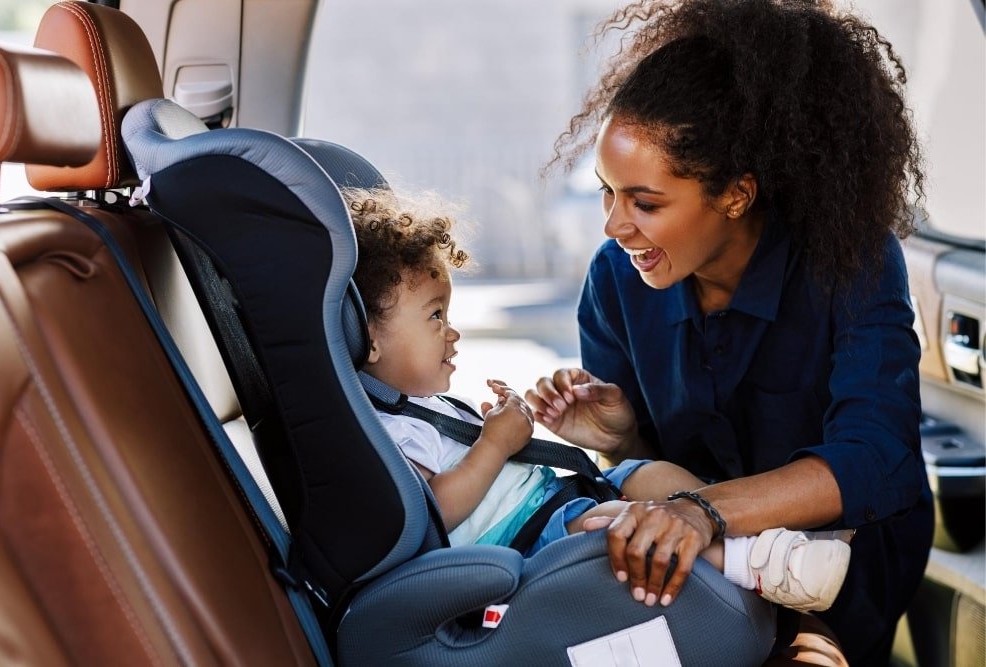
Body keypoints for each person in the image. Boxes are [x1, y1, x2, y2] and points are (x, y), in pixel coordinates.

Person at [525, 0, 934, 664]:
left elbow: (875, 458)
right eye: (607, 191)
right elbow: (650, 473)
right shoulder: (615, 281)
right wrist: (621, 437)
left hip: (835, 571)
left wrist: (703, 510)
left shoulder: (849, 257)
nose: (614, 227)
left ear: (736, 194)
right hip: (700, 572)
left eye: (645, 202)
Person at [346, 185, 852, 614]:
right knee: (617, 525)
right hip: (525, 543)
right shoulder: (385, 431)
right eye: (435, 317)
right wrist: (495, 445)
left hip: (556, 502)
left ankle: (760, 538)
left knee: (644, 473)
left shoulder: (427, 409)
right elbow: (434, 512)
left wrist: (499, 429)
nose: (452, 333)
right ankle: (757, 567)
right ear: (367, 338)